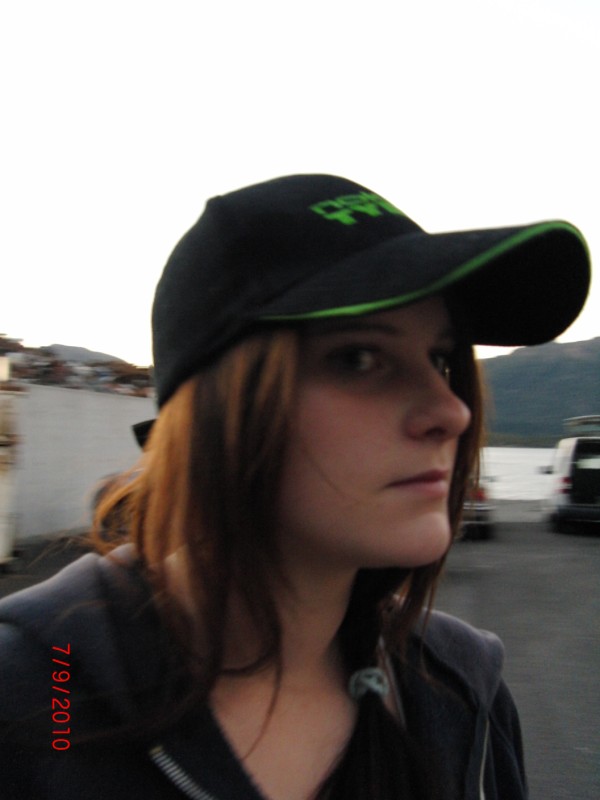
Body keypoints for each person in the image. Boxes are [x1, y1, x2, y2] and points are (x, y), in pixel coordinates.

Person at [0, 174, 591, 800]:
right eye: (359, 358)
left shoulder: (465, 692)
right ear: (219, 414)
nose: (453, 412)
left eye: (441, 360)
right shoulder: (31, 696)